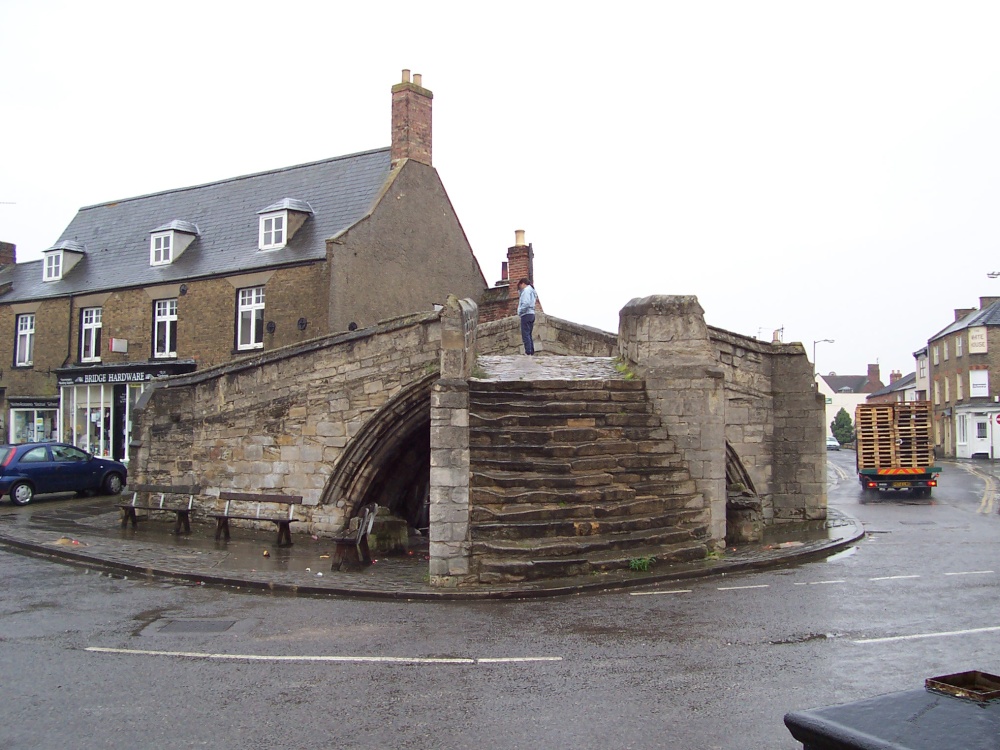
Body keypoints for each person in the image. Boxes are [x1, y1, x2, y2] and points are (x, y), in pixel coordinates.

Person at [517, 278, 537, 355]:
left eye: (520, 286)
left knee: (525, 334)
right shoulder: (532, 291)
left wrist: (520, 311)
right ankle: (531, 351)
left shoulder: (526, 291)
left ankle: (528, 352)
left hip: (526, 314)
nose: (520, 288)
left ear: (523, 284)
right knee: (529, 334)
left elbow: (526, 303)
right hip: (532, 314)